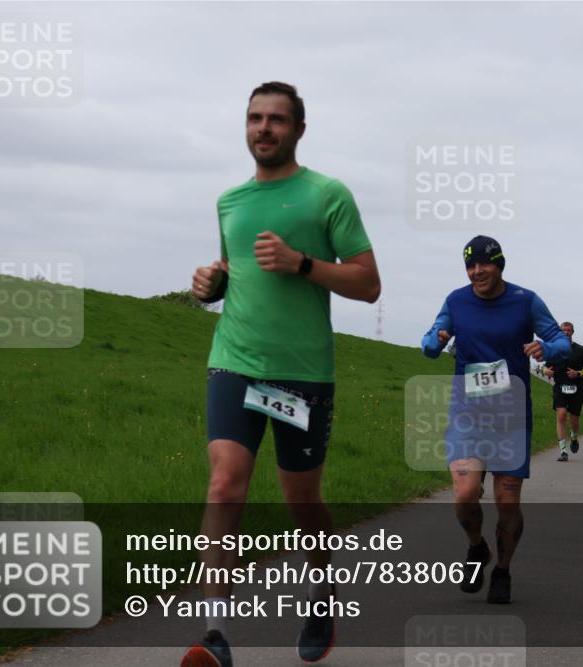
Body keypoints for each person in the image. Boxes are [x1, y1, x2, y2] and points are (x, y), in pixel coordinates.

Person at [186, 82, 381, 667]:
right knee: (224, 484)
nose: (263, 128)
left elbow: (368, 284)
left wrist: (303, 263)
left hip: (301, 374)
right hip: (235, 362)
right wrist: (211, 286)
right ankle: (213, 636)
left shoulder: (327, 195)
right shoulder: (230, 202)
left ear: (299, 129)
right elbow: (235, 271)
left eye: (276, 119)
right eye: (254, 118)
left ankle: (322, 592)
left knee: (302, 501)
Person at [422, 235, 569, 603]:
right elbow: (430, 339)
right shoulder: (456, 301)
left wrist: (546, 348)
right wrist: (435, 340)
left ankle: (502, 570)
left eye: (483, 264)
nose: (476, 271)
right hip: (467, 413)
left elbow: (560, 343)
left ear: (499, 264)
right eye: (470, 266)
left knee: (507, 501)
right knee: (465, 494)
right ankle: (477, 546)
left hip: (510, 415)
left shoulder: (525, 301)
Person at [544, 322, 583, 461]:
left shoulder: (581, 350)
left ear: (573, 332)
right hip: (560, 386)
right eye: (563, 330)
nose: (566, 332)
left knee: (574, 419)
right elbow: (545, 367)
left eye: (568, 330)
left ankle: (574, 437)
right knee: (561, 414)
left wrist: (578, 373)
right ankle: (563, 450)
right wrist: (546, 371)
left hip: (576, 387)